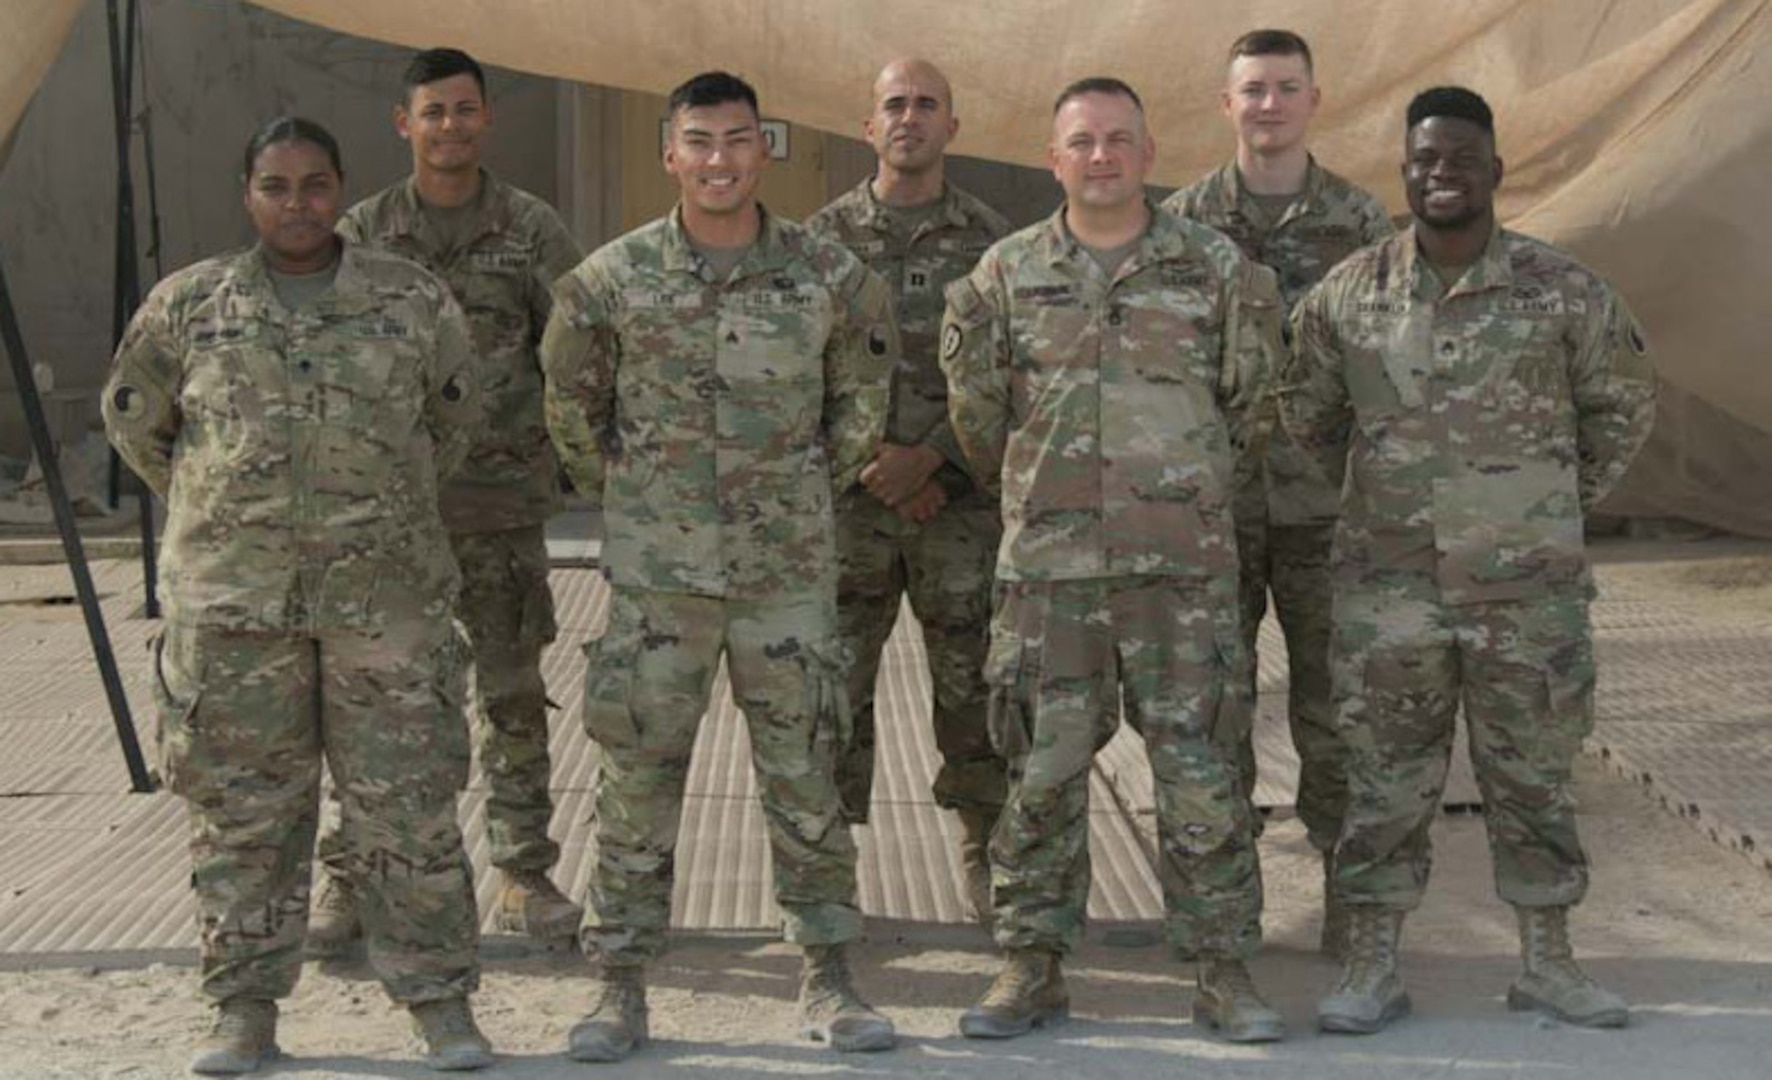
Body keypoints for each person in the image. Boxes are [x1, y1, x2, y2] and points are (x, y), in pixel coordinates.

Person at [102, 117, 493, 1074]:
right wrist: (232, 519)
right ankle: (244, 1008)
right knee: (244, 815)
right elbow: (140, 430)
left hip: (384, 608)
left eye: (316, 184)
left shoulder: (410, 301)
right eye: (275, 186)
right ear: (249, 194)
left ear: (342, 187)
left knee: (407, 809)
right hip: (237, 613)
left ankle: (439, 1001)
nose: (297, 203)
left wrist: (374, 515)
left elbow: (453, 422)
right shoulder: (189, 307)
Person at [539, 71, 898, 1061]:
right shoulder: (609, 281)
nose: (719, 160)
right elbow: (569, 403)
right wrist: (630, 489)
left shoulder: (829, 278)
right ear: (669, 154)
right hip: (661, 580)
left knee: (806, 776)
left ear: (764, 149)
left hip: (785, 576)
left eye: (738, 140)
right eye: (698, 141)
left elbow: (860, 396)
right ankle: (618, 986)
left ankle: (829, 976)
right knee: (636, 781)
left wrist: (801, 487)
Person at [1283, 86, 1655, 1034]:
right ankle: (1372, 964)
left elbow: (1620, 407)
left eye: (1460, 157)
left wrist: (1543, 511)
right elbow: (1310, 418)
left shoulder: (1563, 291)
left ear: (1494, 169)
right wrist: (1392, 506)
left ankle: (1548, 962)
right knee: (1385, 784)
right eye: (1424, 158)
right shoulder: (1349, 295)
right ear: (1404, 171)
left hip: (1527, 595)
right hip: (1391, 591)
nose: (1441, 172)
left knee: (1532, 776)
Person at [941, 77, 1286, 1044]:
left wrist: (1176, 494)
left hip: (1182, 575)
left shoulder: (1218, 271)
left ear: (1148, 150)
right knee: (1041, 774)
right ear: (1053, 158)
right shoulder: (1003, 276)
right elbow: (979, 422)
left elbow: (1251, 410)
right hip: (1051, 575)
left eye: (1119, 139)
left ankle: (1224, 971)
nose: (1102, 156)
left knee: (1202, 772)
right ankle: (1032, 964)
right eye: (1082, 141)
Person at [307, 47, 586, 954]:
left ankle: (524, 874)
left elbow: (579, 349)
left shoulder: (532, 228)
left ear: (485, 120)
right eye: (434, 113)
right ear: (404, 124)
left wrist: (568, 455)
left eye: (465, 111)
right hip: (388, 524)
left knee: (511, 696)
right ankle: (351, 879)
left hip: (499, 510)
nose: (451, 128)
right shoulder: (363, 232)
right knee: (375, 703)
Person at [1162, 28, 1394, 957]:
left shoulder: (1362, 222)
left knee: (1336, 707)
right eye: (1251, 89)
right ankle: (1223, 905)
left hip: (1324, 510)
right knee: (1209, 705)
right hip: (1208, 508)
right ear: (1227, 104)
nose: (1268, 104)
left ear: (1313, 100)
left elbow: (1385, 366)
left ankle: (1346, 891)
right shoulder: (1178, 224)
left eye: (1285, 88)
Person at [804, 57, 1012, 922]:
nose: (910, 118)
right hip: (849, 510)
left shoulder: (996, 245)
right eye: (894, 103)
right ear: (868, 125)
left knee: (974, 688)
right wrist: (872, 462)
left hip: (957, 506)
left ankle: (984, 849)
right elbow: (795, 375)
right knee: (833, 689)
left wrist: (932, 460)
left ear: (952, 128)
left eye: (928, 105)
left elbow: (1011, 375)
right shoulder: (817, 243)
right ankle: (828, 867)